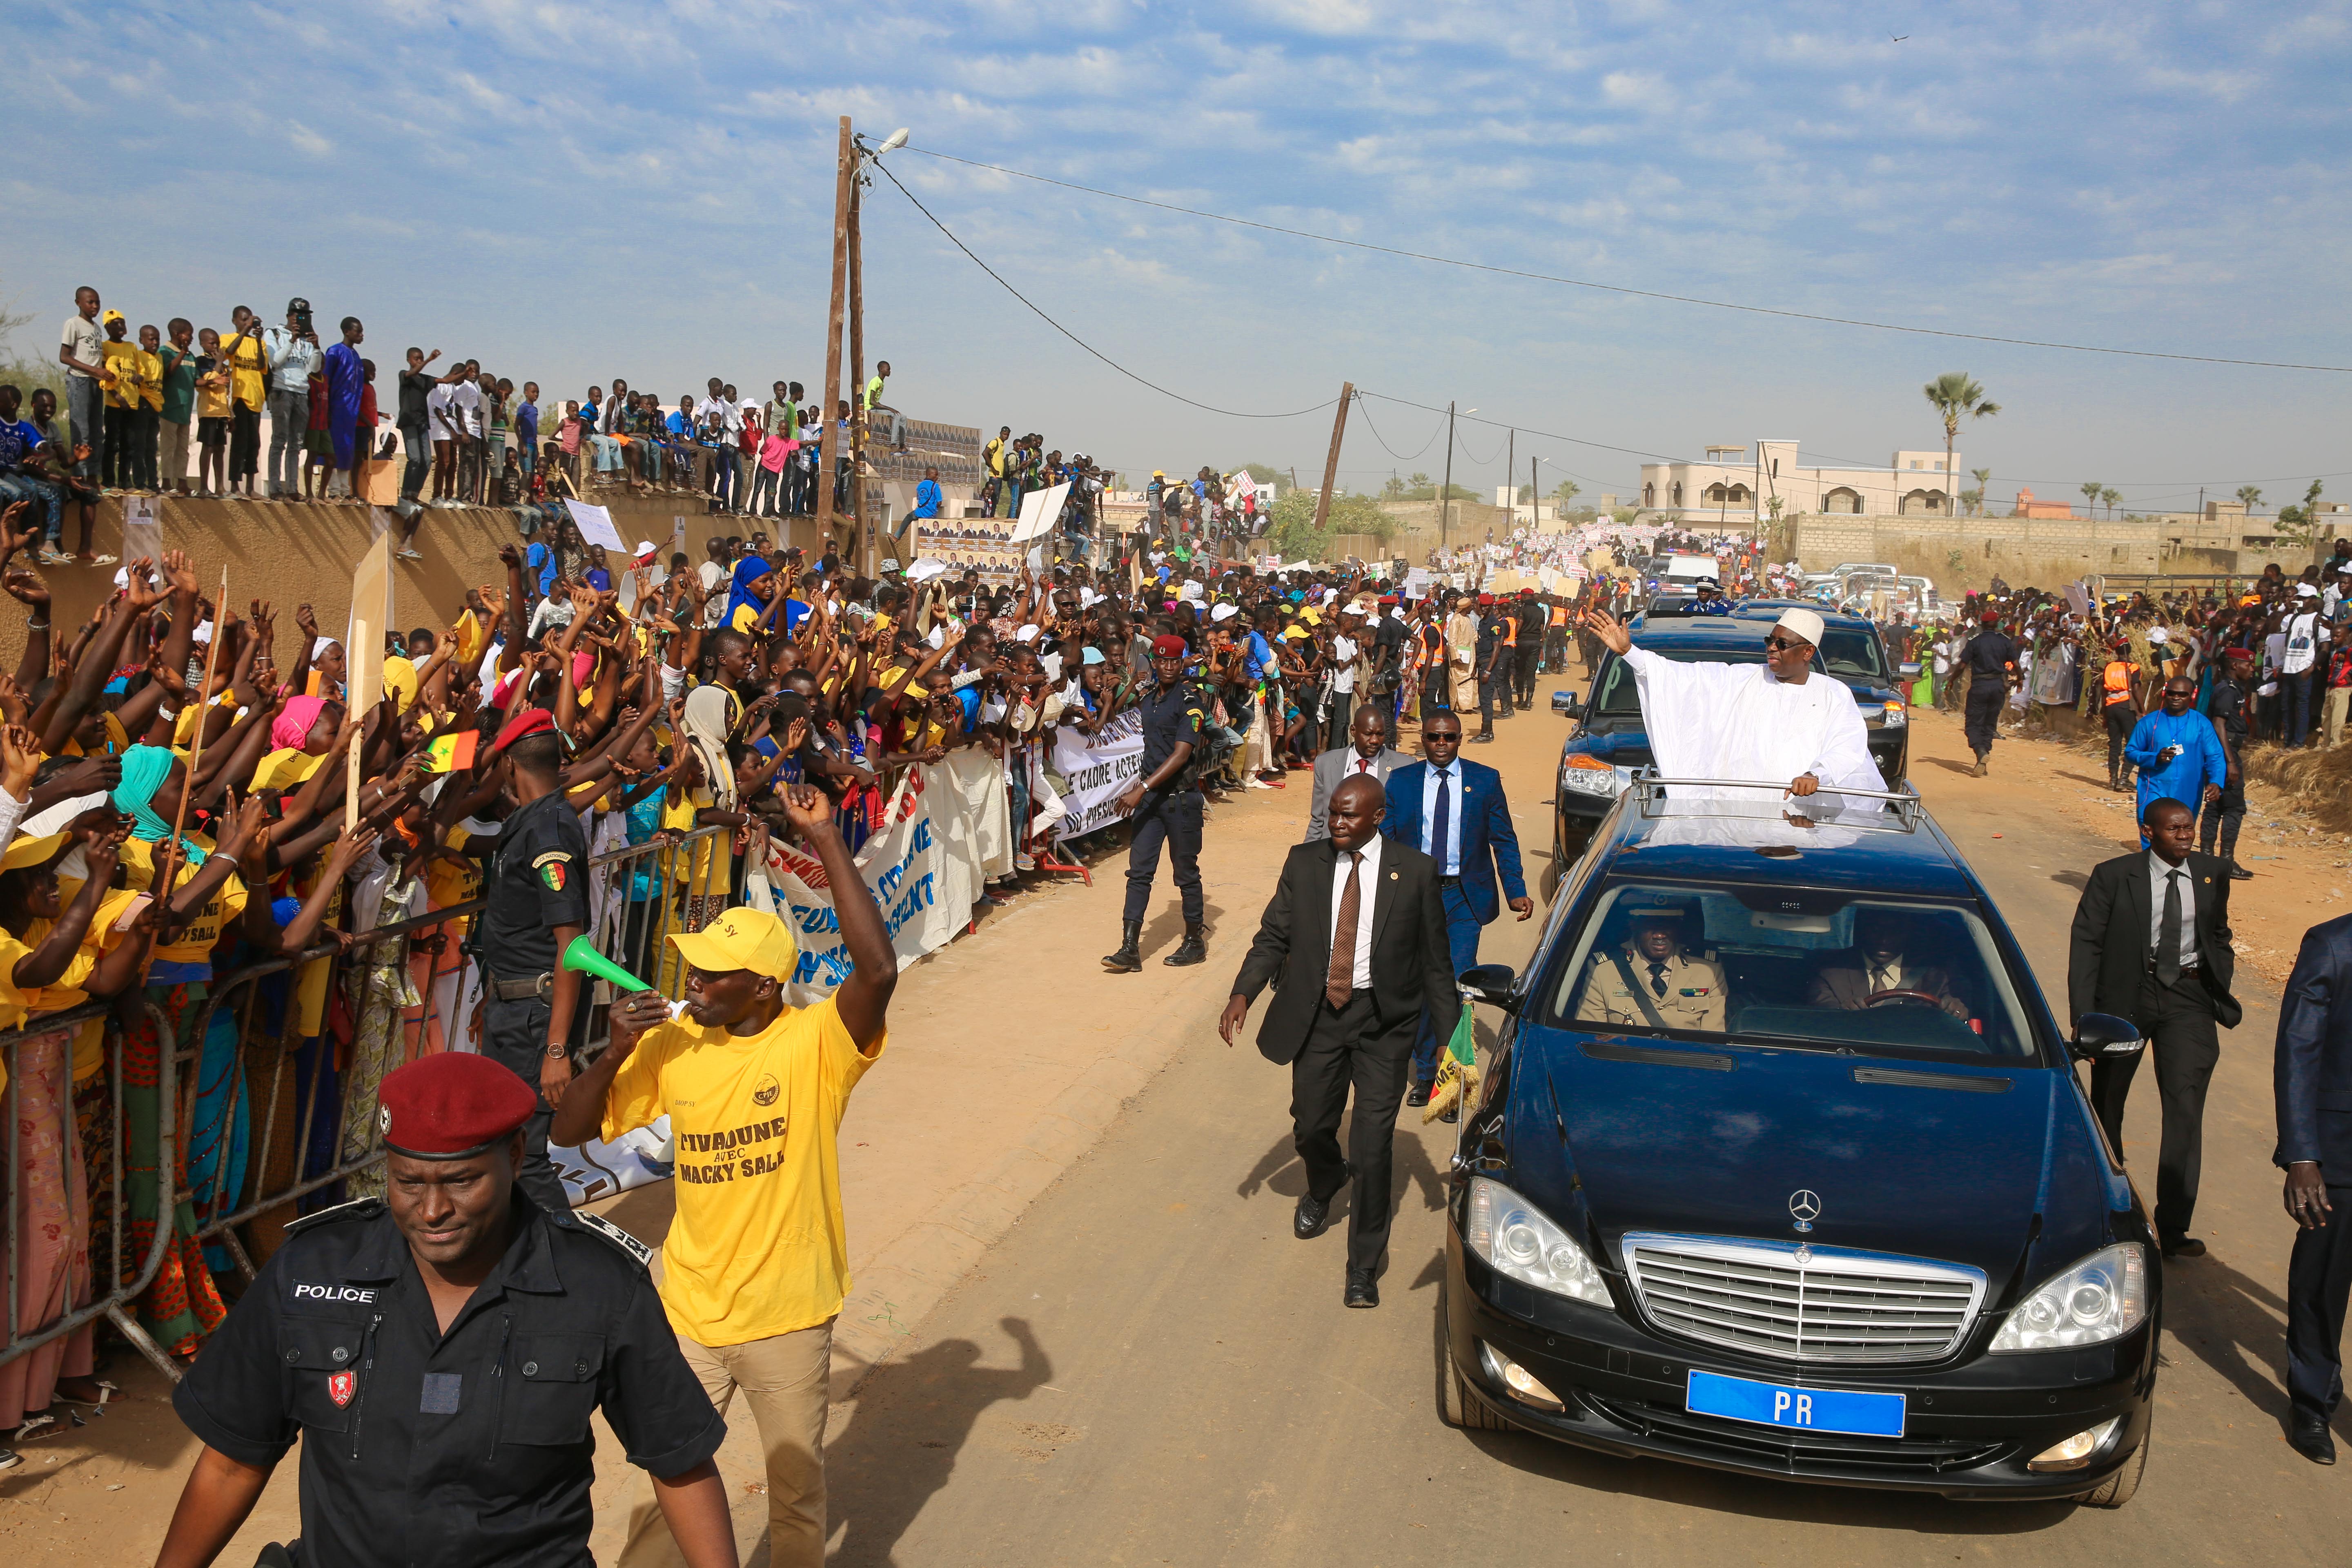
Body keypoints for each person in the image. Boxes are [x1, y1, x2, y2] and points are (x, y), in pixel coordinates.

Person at [154, 1052, 737, 1568]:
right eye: (408, 1182)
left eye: (461, 1182)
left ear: (514, 1154)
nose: (432, 1211)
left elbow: (679, 1464)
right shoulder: (312, 1271)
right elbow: (232, 1462)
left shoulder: (598, 1286)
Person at [550, 786, 893, 1568]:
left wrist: (825, 838)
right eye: (692, 968)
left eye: (712, 974)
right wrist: (608, 1053)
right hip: (689, 1312)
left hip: (789, 1315)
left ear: (765, 987)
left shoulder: (816, 1045)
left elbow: (876, 971)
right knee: (663, 1488)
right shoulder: (672, 1046)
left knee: (796, 1501)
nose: (692, 981)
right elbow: (568, 1136)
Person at [1218, 774, 1460, 1308]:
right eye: (1333, 814)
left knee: (1373, 1150)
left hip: (1383, 1024)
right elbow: (1273, 936)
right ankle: (1325, 1182)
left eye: (1349, 815)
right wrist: (1244, 993)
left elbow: (1437, 967)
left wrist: (1450, 1045)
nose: (1337, 824)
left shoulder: (1415, 872)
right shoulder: (1304, 865)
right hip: (1318, 1019)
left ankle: (1363, 1267)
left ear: (1378, 817)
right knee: (1311, 1125)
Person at [2067, 796, 2242, 1258]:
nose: (2186, 835)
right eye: (2175, 829)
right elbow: (2087, 943)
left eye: (2190, 828)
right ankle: (2109, 1210)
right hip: (2128, 995)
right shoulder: (2113, 875)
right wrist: (2086, 1017)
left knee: (2186, 1109)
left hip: (2188, 998)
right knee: (2108, 1103)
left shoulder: (2212, 873)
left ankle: (2173, 1227)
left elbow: (2217, 930)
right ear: (2149, 832)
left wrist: (2218, 973)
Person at [1580, 603, 1881, 814]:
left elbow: (1847, 747)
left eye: (1782, 643)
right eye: (1770, 640)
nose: (1772, 648)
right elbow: (1685, 678)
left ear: (1807, 652)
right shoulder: (1745, 679)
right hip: (1735, 821)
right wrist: (1629, 653)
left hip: (1801, 822)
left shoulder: (1833, 694)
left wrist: (1817, 775)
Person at [467, 707, 591, 1213]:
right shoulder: (531, 822)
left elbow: (571, 946)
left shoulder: (548, 834)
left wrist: (557, 1050)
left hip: (536, 1019)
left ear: (510, 767)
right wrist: (492, 991)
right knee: (504, 1145)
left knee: (528, 1158)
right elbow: (517, 928)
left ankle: (569, 1273)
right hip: (510, 1005)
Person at [1379, 710, 1529, 1113]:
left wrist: (1515, 890)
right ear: (1423, 741)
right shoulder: (1403, 782)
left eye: (1448, 737)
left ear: (1460, 739)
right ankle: (1428, 1074)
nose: (1441, 744)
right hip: (1417, 898)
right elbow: (1386, 840)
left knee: (1457, 983)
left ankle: (1451, 1086)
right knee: (1424, 986)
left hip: (1464, 896)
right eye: (1433, 737)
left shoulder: (1484, 780)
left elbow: (1503, 838)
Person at [2272, 910, 2352, 1465]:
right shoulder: (2332, 945)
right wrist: (2303, 1154)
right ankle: (2313, 1403)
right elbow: (2298, 1050)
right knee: (2322, 1284)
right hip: (2340, 1152)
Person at [1104, 634, 1207, 972]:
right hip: (1151, 799)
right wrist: (1142, 786)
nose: (1167, 666)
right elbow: (1153, 750)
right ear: (1154, 663)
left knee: (1185, 874)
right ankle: (1130, 948)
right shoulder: (1149, 699)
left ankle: (1194, 941)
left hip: (1179, 800)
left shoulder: (1190, 700)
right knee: (1139, 873)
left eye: (1174, 661)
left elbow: (1181, 755)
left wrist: (1142, 787)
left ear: (1182, 663)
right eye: (1161, 661)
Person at [1573, 899, 1728, 1030]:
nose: (1660, 935)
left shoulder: (1707, 969)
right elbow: (1592, 1035)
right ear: (1634, 926)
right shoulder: (1605, 970)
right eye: (1650, 926)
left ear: (1678, 928)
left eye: (1667, 926)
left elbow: (1713, 1039)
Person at [1807, 906, 1967, 1016]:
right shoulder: (1832, 968)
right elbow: (1823, 1013)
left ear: (1909, 933)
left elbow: (1957, 1014)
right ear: (1862, 929)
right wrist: (1841, 1012)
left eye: (1895, 931)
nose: (1884, 940)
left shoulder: (1939, 972)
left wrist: (1956, 1010)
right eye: (1875, 930)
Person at [2124, 675, 2227, 837]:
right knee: (2151, 828)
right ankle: (2148, 862)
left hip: (2189, 790)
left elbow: (2215, 756)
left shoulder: (2202, 724)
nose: (2176, 698)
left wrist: (2216, 782)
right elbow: (2131, 752)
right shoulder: (2149, 722)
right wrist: (2154, 758)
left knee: (2180, 834)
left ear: (2192, 696)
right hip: (2154, 787)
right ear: (2165, 693)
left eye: (2182, 694)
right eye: (2172, 693)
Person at [1304, 704, 1412, 842]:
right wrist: (1307, 856)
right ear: (1353, 731)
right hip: (1334, 852)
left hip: (1381, 856)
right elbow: (1318, 819)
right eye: (1368, 734)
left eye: (1380, 734)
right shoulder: (1326, 764)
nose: (1374, 741)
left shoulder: (1403, 766)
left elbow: (1407, 823)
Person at [261, 298, 322, 501]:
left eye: (305, 316)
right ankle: (276, 489)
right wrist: (292, 341)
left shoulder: (307, 340)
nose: (301, 319)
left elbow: (314, 368)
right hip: (282, 390)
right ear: (289, 315)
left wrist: (316, 347)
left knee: (296, 443)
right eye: (297, 315)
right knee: (280, 440)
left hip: (301, 392)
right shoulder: (275, 334)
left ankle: (293, 489)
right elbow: (275, 361)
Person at [1959, 610, 2018, 775]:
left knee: (1973, 723)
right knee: (1989, 724)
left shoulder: (1975, 641)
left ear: (1982, 624)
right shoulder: (2005, 641)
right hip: (1997, 686)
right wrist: (2020, 680)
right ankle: (1982, 759)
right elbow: (2016, 664)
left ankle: (1980, 751)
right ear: (1998, 623)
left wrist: (1951, 681)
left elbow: (1962, 665)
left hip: (1980, 685)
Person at [2097, 637, 2141, 793]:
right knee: (2133, 743)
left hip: (2110, 707)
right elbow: (2136, 690)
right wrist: (2142, 710)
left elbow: (2103, 691)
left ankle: (2113, 779)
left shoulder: (2109, 667)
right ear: (2130, 651)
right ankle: (2124, 779)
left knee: (2114, 744)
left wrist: (2104, 714)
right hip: (2126, 706)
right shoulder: (2133, 667)